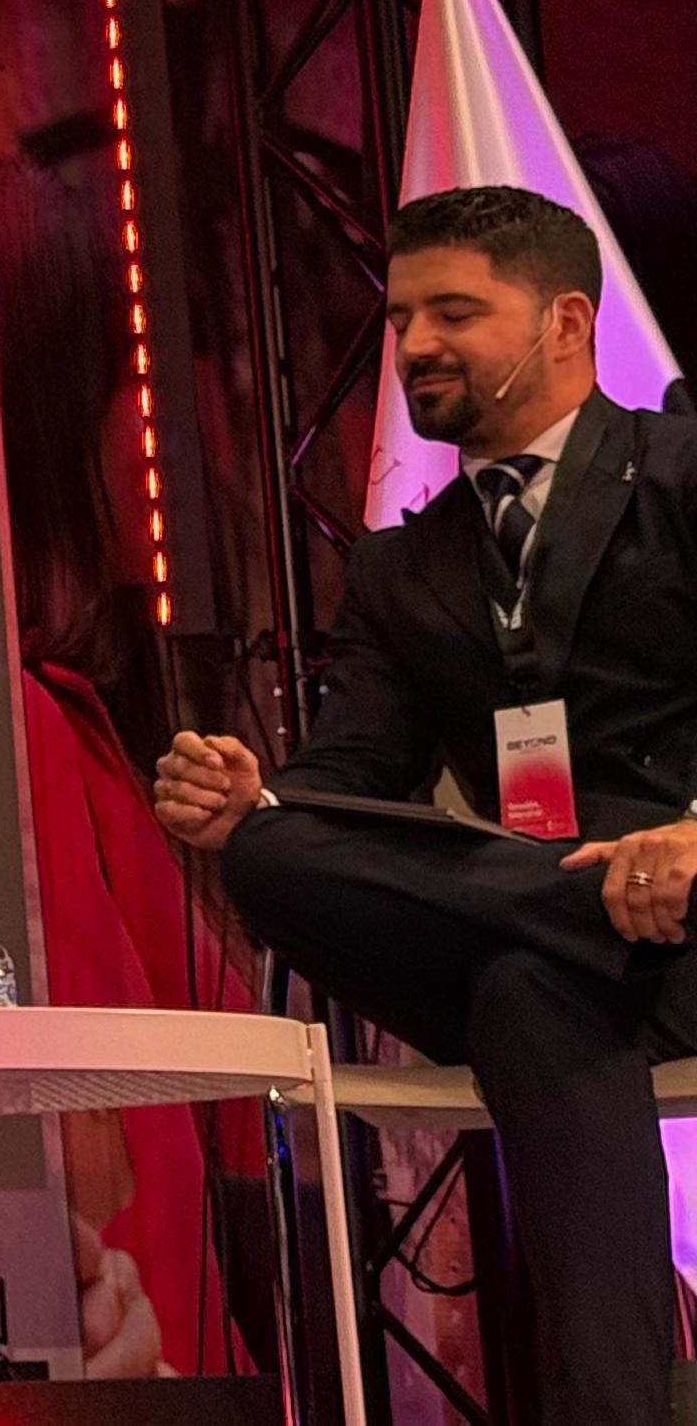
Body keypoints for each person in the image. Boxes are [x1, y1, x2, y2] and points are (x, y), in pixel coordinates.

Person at [156, 185, 697, 1426]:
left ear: (567, 323)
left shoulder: (678, 473)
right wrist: (261, 794)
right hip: (567, 916)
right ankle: (566, 907)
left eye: (456, 312)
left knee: (522, 988)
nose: (414, 346)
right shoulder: (405, 563)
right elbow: (350, 778)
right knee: (273, 856)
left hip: (691, 913)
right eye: (402, 317)